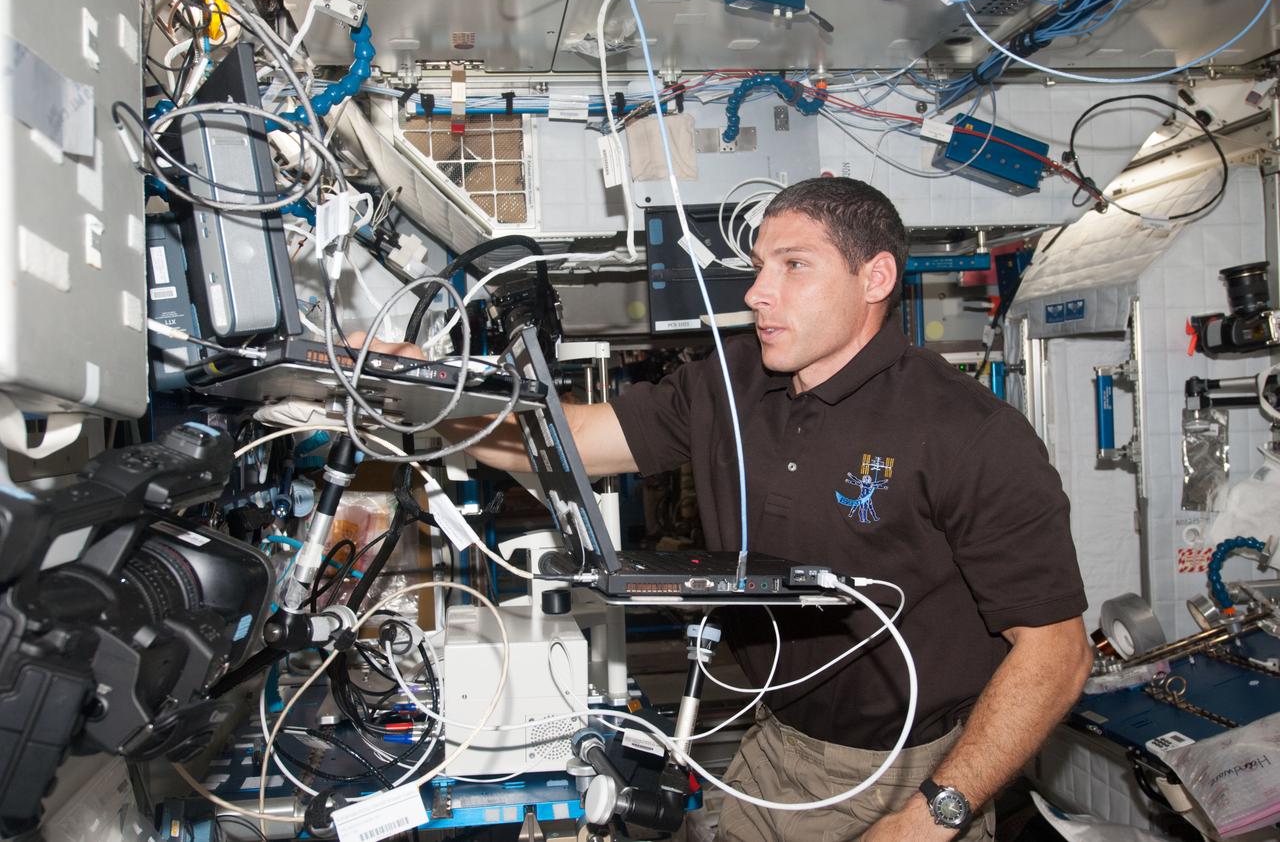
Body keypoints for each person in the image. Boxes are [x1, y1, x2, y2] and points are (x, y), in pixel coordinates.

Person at [365, 177, 1093, 841]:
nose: (757, 293)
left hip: (910, 771)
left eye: (793, 266)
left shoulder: (968, 432)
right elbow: (578, 441)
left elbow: (1057, 655)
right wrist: (428, 404)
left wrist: (934, 815)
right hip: (771, 747)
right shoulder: (733, 379)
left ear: (874, 277)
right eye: (758, 267)